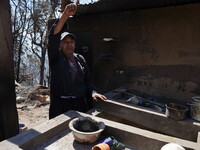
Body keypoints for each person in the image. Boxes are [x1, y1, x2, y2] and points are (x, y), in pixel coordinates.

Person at [48, 1, 107, 119]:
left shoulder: (80, 59)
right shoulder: (55, 57)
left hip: (79, 105)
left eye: (71, 42)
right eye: (65, 42)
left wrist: (93, 92)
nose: (69, 45)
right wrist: (65, 15)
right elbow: (53, 36)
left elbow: (88, 81)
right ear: (59, 45)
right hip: (60, 106)